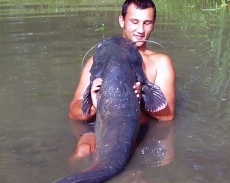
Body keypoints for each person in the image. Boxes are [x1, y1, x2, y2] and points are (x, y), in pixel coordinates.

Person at [69, 0, 176, 158]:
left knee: (152, 160)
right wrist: (95, 105)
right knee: (83, 150)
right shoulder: (97, 61)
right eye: (134, 22)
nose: (140, 30)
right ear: (122, 21)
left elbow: (168, 116)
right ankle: (72, 180)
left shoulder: (161, 62)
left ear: (154, 24)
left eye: (147, 23)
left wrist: (142, 100)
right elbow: (73, 113)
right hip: (98, 125)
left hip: (136, 129)